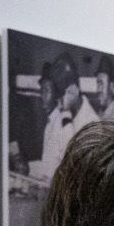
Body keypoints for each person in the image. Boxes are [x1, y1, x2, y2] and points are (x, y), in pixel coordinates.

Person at [30, 52, 99, 180]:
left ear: (74, 90)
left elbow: (72, 165)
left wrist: (66, 111)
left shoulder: (92, 123)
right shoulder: (66, 115)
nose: (59, 103)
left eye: (62, 97)